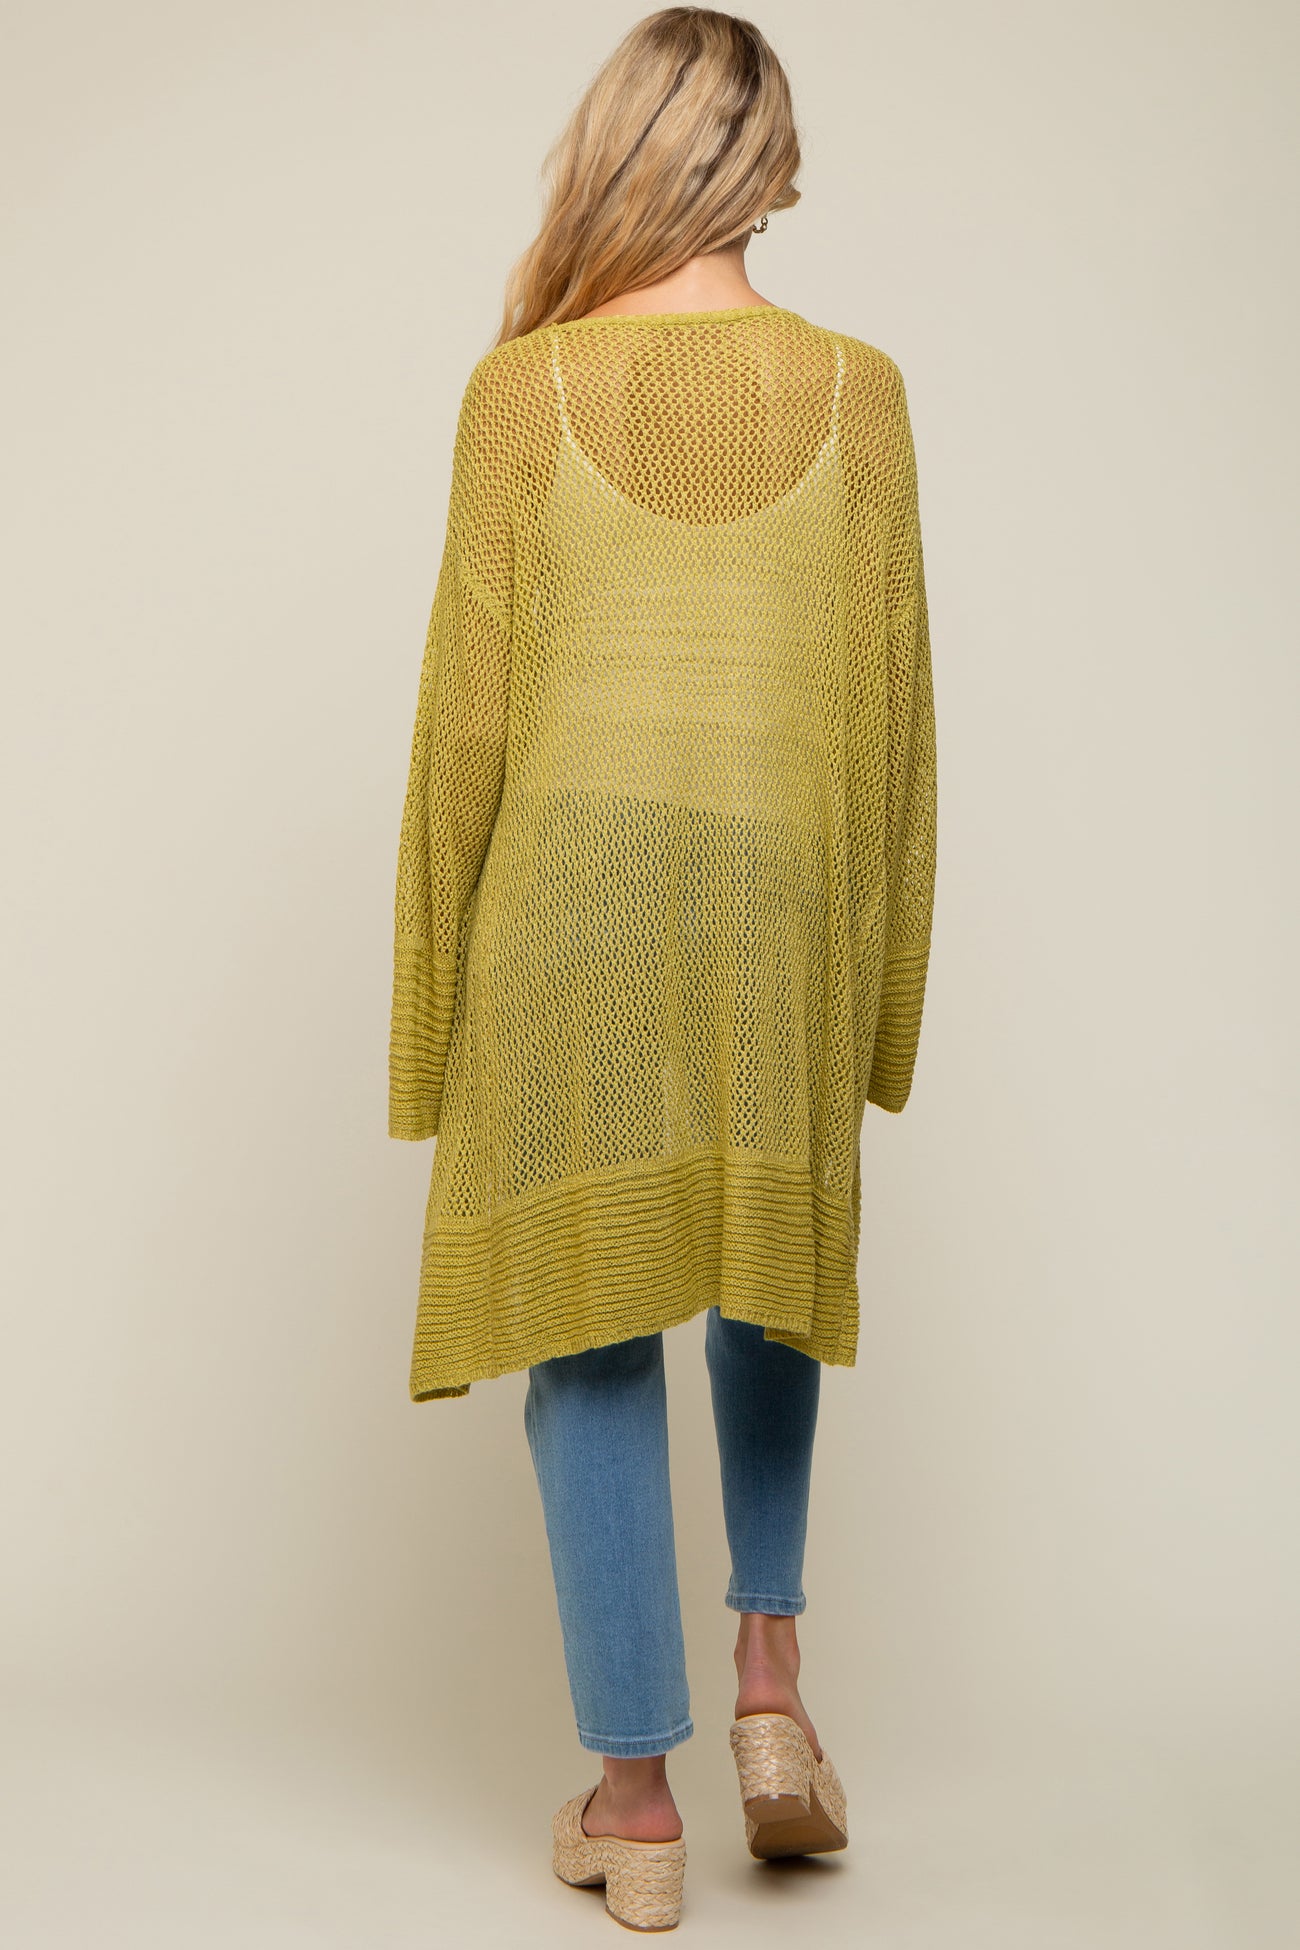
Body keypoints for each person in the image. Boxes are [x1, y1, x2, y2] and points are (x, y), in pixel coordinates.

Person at [387, 6, 937, 1929]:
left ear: (614, 147)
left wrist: (427, 1020)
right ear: (770, 168)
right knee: (764, 1275)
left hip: (575, 908)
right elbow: (890, 730)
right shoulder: (862, 393)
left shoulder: (519, 393)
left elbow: (464, 730)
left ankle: (635, 1808)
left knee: (594, 1319)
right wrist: (877, 1008)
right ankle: (771, 1688)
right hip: (781, 900)